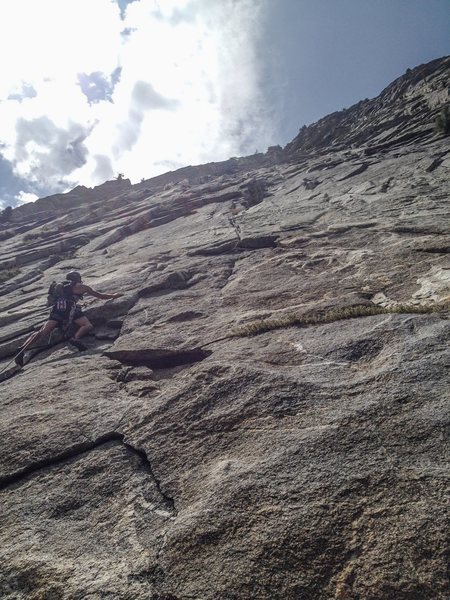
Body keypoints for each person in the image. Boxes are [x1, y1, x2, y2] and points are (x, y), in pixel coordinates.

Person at [15, 271, 122, 366]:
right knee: (87, 325)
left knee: (43, 332)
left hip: (57, 308)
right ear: (78, 278)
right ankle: (75, 339)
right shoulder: (83, 287)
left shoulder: (61, 286)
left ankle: (22, 349)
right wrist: (114, 295)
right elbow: (101, 296)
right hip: (70, 309)